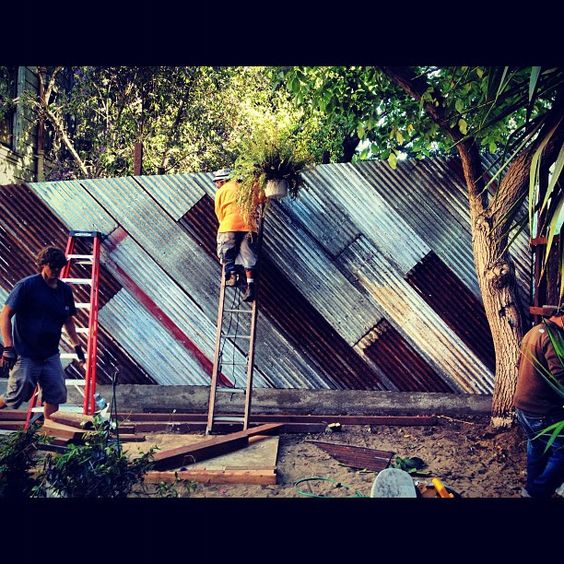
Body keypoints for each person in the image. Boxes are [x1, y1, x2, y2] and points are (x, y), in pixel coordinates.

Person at [0, 246, 85, 420]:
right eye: (52, 267)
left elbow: (68, 320)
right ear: (43, 264)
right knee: (15, 397)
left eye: (59, 267)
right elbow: (6, 315)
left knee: (55, 394)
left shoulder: (64, 291)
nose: (56, 271)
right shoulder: (26, 286)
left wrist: (77, 347)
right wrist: (8, 347)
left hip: (50, 355)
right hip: (26, 354)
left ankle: (50, 435)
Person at [513, 308, 564, 498]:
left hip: (523, 406)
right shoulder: (553, 337)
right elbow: (560, 374)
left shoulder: (534, 332)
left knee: (536, 448)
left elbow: (519, 364)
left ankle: (530, 491)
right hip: (542, 410)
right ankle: (538, 491)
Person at [213, 168, 264, 302]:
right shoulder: (247, 188)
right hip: (249, 226)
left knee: (226, 252)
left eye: (217, 182)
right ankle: (250, 286)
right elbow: (261, 198)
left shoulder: (221, 191)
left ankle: (233, 276)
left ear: (223, 180)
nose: (216, 185)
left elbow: (219, 212)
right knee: (249, 258)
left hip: (229, 225)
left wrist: (224, 224)